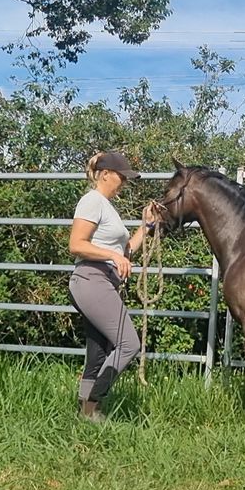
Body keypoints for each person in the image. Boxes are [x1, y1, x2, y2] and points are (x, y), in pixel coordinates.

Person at [68, 151, 156, 422]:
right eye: (122, 177)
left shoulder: (107, 206)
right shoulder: (92, 201)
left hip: (101, 282)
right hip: (91, 280)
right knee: (129, 344)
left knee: (98, 351)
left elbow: (125, 250)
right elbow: (76, 244)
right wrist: (113, 256)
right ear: (105, 174)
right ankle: (94, 401)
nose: (124, 184)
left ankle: (86, 413)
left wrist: (147, 226)